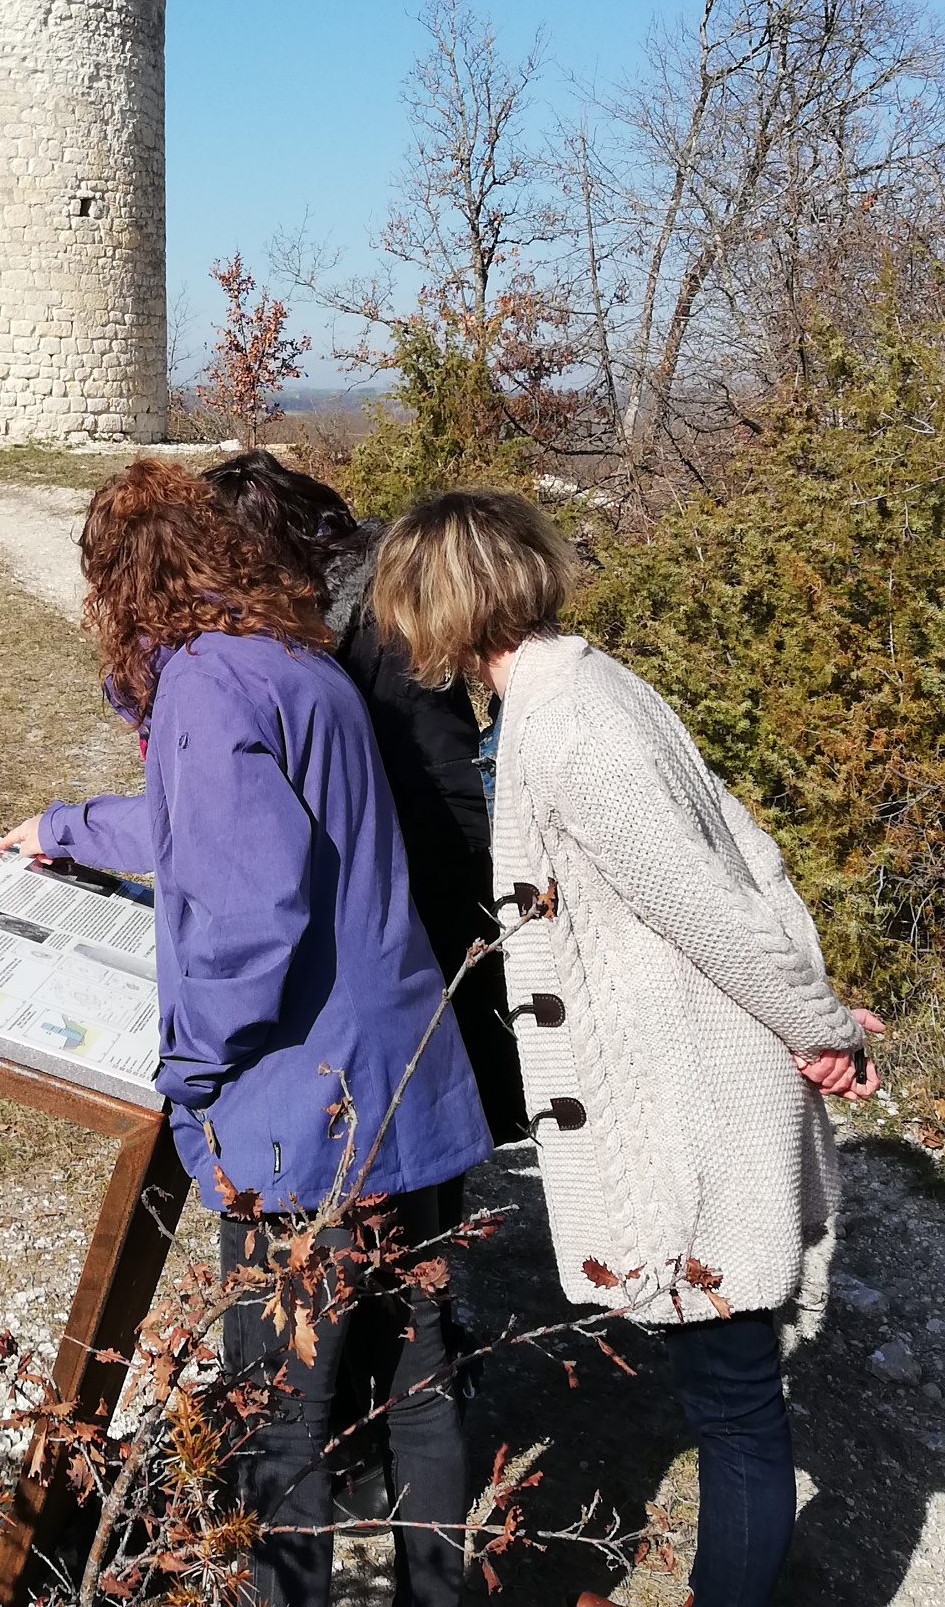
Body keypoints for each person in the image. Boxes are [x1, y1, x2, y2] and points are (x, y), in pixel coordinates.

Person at [369, 488, 883, 1607]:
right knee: (734, 1393)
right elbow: (743, 854)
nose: (397, 633)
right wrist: (819, 1004)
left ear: (444, 605)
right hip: (700, 1070)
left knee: (739, 1410)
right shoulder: (587, 684)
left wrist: (821, 1027)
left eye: (405, 606)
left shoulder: (571, 725)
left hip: (696, 1096)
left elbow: (705, 898)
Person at [0, 458, 490, 1607]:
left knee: (286, 1410)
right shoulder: (291, 663)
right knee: (413, 1380)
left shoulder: (209, 688)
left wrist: (191, 1068)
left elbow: (250, 911)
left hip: (299, 1111)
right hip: (397, 1083)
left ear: (123, 587)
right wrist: (66, 826)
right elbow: (205, 824)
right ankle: (420, 1596)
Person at [204, 450, 525, 1147]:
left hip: (416, 903)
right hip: (378, 903)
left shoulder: (381, 622)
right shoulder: (320, 622)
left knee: (420, 1113)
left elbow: (447, 784)